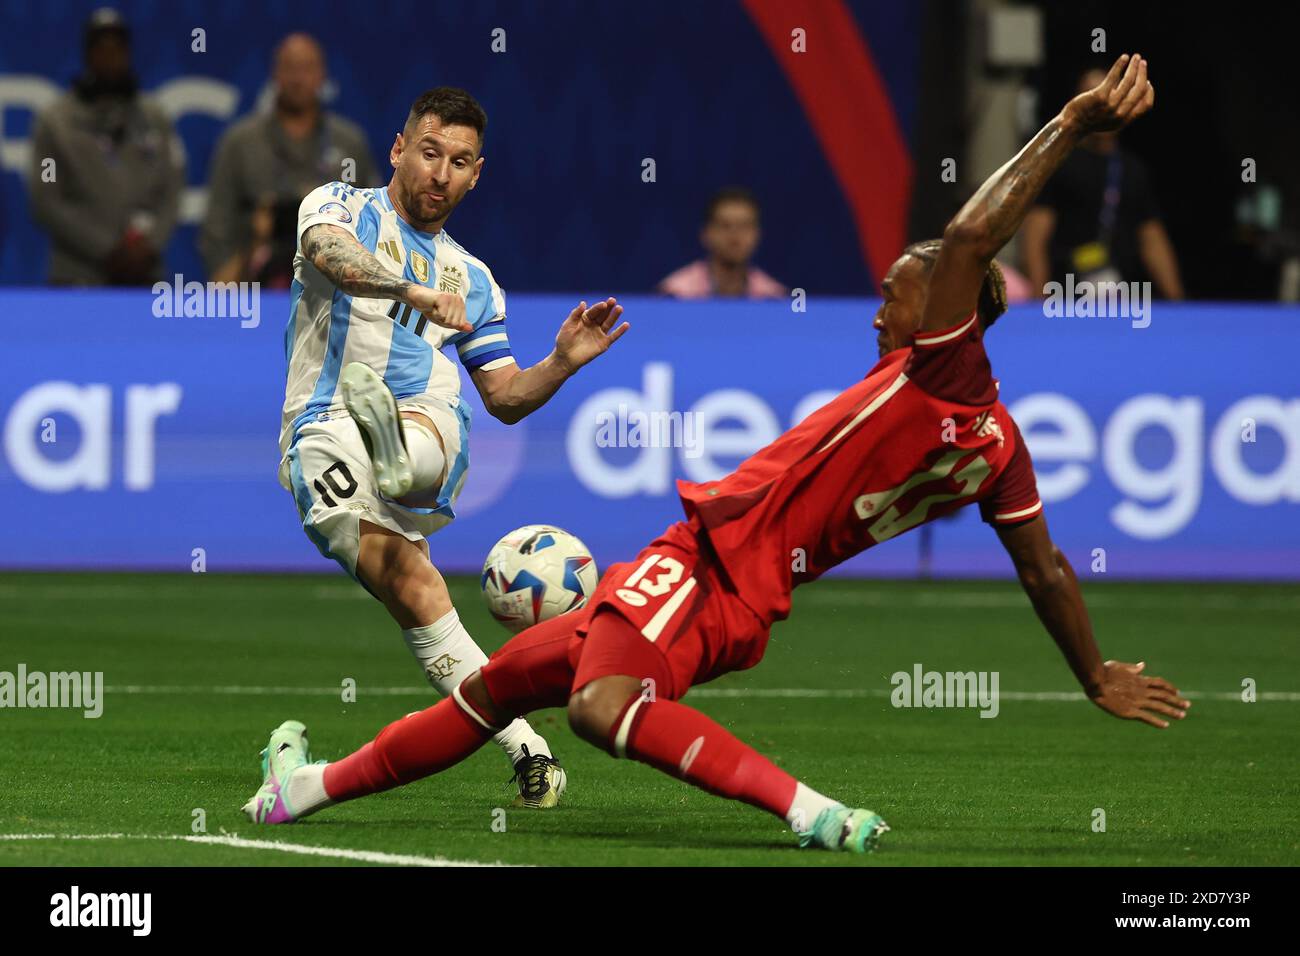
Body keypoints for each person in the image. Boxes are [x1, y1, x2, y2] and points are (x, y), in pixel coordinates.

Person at [244, 56, 1188, 853]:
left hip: (710, 556)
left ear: (948, 313)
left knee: (599, 708)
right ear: (402, 150)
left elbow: (977, 234)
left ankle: (811, 812)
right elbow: (1048, 569)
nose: (881, 309)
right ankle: (303, 791)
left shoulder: (942, 364)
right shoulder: (1001, 451)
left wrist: (1069, 119)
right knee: (495, 687)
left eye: (899, 294)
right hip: (746, 594)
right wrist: (1093, 673)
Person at [260, 86, 629, 809]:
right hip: (323, 422)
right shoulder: (339, 206)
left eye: (459, 162)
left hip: (426, 420)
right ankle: (532, 751)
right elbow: (325, 253)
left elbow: (506, 397)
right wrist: (411, 292)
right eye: (429, 153)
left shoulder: (475, 280)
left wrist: (562, 362)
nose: (440, 173)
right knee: (415, 589)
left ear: (476, 174)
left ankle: (404, 456)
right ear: (399, 150)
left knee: (437, 414)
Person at [200, 33, 378, 286]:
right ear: (275, 74)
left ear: (322, 75)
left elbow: (373, 221)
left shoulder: (350, 143)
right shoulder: (240, 142)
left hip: (335, 287)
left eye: (307, 68)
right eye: (290, 68)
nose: (298, 79)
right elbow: (216, 225)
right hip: (252, 285)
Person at [27, 7, 184, 285]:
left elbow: (171, 192)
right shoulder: (55, 122)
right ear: (87, 54)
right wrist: (107, 250)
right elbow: (47, 201)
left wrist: (146, 247)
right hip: (76, 275)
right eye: (101, 48)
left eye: (118, 48)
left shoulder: (154, 118)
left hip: (144, 273)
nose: (110, 56)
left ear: (129, 53)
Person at [1020, 67, 1183, 299]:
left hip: (1125, 300)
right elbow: (1036, 237)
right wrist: (1040, 302)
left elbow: (1152, 238)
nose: (1101, 107)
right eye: (1092, 97)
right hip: (1066, 297)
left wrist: (1178, 303)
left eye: (1108, 97)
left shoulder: (1133, 170)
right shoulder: (1059, 163)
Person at [658, 187, 787, 299]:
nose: (735, 236)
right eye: (725, 226)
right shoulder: (675, 294)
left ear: (757, 234)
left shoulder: (773, 298)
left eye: (744, 226)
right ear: (706, 233)